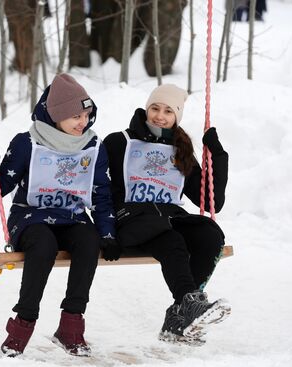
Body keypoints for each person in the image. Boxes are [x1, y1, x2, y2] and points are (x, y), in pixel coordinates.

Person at [0, 74, 118, 357]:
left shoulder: (92, 147)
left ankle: (71, 326)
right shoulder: (28, 142)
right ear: (56, 116)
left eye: (87, 115)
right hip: (31, 218)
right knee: (44, 245)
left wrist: (107, 234)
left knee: (89, 240)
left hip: (73, 217)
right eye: (75, 116)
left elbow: (101, 194)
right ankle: (23, 324)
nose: (83, 122)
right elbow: (1, 187)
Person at [102, 84, 231, 345]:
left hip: (168, 218)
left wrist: (217, 154)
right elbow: (101, 189)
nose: (160, 116)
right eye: (155, 108)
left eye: (168, 111)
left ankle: (179, 315)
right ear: (146, 109)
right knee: (171, 240)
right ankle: (191, 306)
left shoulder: (180, 148)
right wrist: (107, 230)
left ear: (177, 117)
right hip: (132, 219)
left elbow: (211, 201)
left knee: (209, 234)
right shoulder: (119, 142)